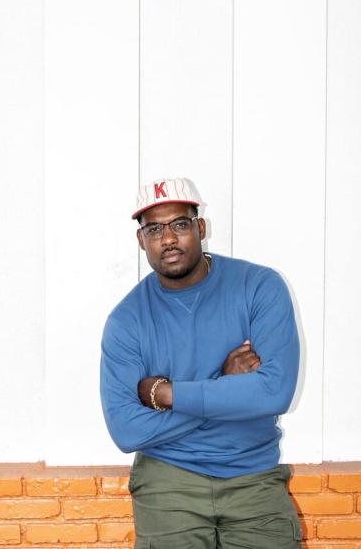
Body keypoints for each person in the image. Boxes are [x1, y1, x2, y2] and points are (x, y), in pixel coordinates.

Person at [100, 177, 301, 548]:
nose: (169, 238)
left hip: (253, 475)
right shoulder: (126, 320)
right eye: (155, 228)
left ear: (201, 227)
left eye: (180, 223)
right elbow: (127, 431)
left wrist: (167, 394)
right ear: (142, 240)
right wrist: (225, 383)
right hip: (168, 481)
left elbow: (275, 392)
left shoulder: (259, 287)